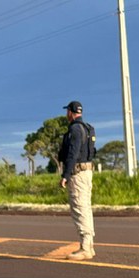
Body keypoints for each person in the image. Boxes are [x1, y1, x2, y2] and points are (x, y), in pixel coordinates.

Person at [58, 100, 96, 261]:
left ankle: (85, 248)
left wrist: (65, 175)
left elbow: (72, 153)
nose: (66, 114)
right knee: (86, 208)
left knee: (80, 209)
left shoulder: (75, 129)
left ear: (71, 112)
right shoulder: (88, 128)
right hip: (87, 172)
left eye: (67, 111)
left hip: (78, 174)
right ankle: (89, 246)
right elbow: (93, 151)